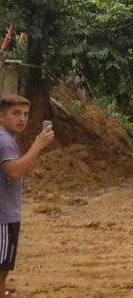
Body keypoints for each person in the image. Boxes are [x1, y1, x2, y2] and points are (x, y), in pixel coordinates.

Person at [0, 95, 55, 296]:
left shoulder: (7, 138)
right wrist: (37, 146)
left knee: (4, 269)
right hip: (3, 217)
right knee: (1, 268)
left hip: (7, 214)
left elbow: (24, 170)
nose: (22, 119)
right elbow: (13, 171)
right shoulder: (4, 140)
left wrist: (37, 149)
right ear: (1, 117)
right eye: (15, 114)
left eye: (25, 114)